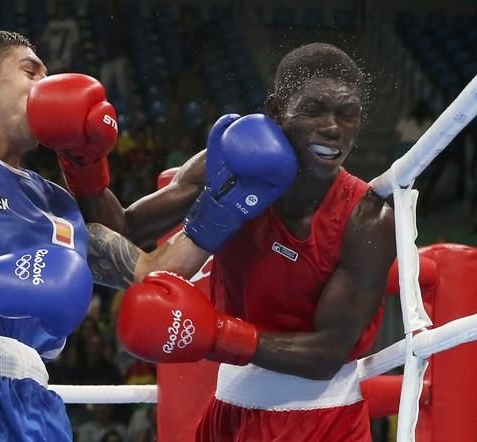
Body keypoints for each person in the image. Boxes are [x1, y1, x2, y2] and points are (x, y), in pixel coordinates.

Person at [0, 30, 297, 441]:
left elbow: (154, 272)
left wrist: (227, 204)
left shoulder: (54, 201)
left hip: (39, 402)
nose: (46, 85)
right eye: (31, 71)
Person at [100, 43, 396, 441]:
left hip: (320, 420)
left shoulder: (367, 217)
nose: (332, 127)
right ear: (275, 111)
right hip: (228, 411)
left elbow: (327, 353)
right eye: (314, 109)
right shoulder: (230, 164)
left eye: (348, 114)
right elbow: (123, 228)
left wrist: (215, 334)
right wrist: (82, 159)